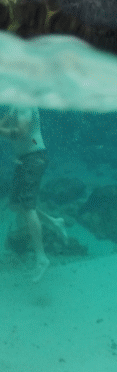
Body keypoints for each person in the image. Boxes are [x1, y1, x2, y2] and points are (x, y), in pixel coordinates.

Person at [0, 106, 56, 282]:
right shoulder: (15, 105)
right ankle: (54, 221)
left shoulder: (26, 104)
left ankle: (42, 258)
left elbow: (20, 134)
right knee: (15, 205)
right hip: (24, 159)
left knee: (27, 206)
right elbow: (4, 124)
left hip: (34, 157)